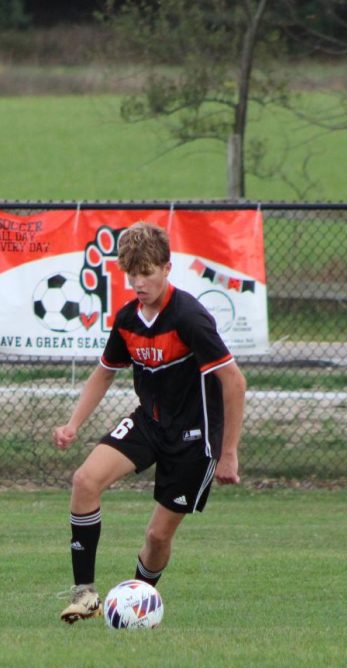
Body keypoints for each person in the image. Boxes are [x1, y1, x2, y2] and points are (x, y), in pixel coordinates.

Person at [52, 220, 247, 623]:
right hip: (149, 423)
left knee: (158, 537)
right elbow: (105, 372)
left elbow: (234, 381)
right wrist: (73, 424)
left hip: (194, 440)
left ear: (166, 268)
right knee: (85, 481)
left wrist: (228, 453)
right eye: (132, 274)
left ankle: (137, 604)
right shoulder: (127, 320)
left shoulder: (189, 317)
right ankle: (85, 595)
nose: (139, 282)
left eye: (147, 273)